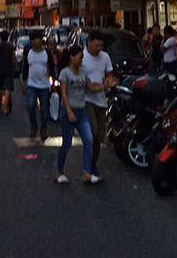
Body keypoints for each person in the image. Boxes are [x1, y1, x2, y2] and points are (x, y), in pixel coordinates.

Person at [55, 44, 96, 185]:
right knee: (67, 144)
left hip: (82, 111)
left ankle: (87, 172)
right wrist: (68, 111)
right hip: (69, 111)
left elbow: (91, 87)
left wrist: (106, 85)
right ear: (71, 57)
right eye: (80, 57)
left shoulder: (83, 73)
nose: (81, 60)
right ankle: (60, 172)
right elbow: (64, 94)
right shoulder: (65, 73)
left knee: (89, 141)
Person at [81, 31, 116, 180]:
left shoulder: (105, 57)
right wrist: (101, 86)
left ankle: (92, 165)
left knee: (99, 136)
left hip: (101, 101)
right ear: (88, 42)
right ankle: (88, 167)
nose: (99, 48)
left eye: (101, 45)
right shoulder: (82, 57)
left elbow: (110, 74)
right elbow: (87, 84)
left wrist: (108, 81)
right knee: (93, 133)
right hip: (86, 101)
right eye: (96, 45)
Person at [24, 31, 56, 142]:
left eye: (39, 38)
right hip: (32, 84)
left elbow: (52, 68)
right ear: (31, 41)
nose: (37, 41)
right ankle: (33, 126)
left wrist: (53, 84)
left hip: (44, 85)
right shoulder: (28, 52)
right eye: (35, 39)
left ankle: (44, 129)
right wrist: (24, 82)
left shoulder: (47, 53)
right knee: (30, 105)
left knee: (44, 109)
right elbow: (25, 68)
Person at [0, 31, 15, 116]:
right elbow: (13, 58)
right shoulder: (11, 47)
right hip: (8, 69)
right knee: (7, 89)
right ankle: (6, 108)